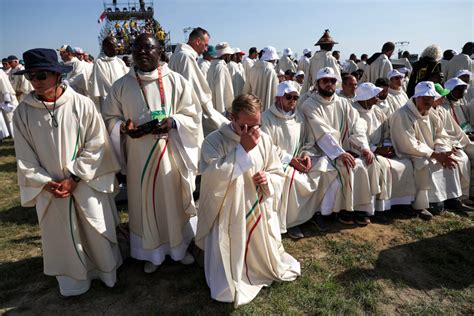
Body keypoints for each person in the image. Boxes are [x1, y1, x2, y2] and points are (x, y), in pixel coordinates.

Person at [13, 48, 122, 296]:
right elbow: (24, 154)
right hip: (51, 188)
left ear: (56, 74)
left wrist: (74, 177)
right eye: (30, 76)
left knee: (95, 228)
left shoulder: (81, 104)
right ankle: (74, 282)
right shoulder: (23, 112)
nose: (36, 82)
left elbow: (97, 143)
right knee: (62, 234)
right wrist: (44, 182)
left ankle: (105, 273)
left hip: (85, 181)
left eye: (41, 75)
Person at [103, 34, 202, 273]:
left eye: (149, 48)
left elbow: (193, 115)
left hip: (171, 152)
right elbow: (109, 118)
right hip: (139, 156)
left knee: (173, 201)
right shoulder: (121, 85)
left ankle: (179, 248)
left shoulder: (177, 81)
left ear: (160, 52)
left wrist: (174, 121)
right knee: (144, 203)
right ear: (132, 53)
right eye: (138, 48)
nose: (143, 52)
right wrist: (122, 128)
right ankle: (151, 253)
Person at [196, 93, 300, 307]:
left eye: (257, 125)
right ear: (232, 117)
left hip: (257, 211)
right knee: (226, 287)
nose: (252, 132)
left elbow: (276, 171)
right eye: (245, 126)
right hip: (227, 214)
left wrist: (267, 178)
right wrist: (242, 149)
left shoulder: (265, 138)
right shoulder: (213, 141)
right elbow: (211, 180)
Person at [261, 81, 337, 238]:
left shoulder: (300, 117)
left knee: (325, 167)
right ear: (278, 98)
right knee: (292, 180)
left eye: (295, 97)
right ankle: (292, 222)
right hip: (276, 162)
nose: (292, 101)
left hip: (299, 159)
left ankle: (315, 213)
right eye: (288, 97)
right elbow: (267, 146)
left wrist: (306, 155)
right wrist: (291, 160)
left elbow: (308, 141)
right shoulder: (266, 118)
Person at [302, 67, 376, 227]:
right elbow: (322, 133)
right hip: (319, 150)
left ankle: (357, 208)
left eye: (333, 81)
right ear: (317, 83)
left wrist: (364, 147)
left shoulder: (344, 103)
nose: (329, 84)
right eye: (325, 81)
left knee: (363, 163)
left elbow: (358, 126)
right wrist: (339, 153)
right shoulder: (309, 105)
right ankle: (327, 212)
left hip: (341, 148)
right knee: (339, 168)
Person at [390, 81, 470, 218]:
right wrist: (434, 154)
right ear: (416, 97)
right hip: (409, 153)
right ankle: (422, 205)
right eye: (424, 97)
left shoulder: (431, 113)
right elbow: (408, 143)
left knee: (452, 159)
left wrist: (442, 150)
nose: (428, 101)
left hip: (431, 151)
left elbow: (441, 134)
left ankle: (451, 198)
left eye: (431, 98)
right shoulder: (402, 114)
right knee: (424, 164)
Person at [352, 83, 416, 220]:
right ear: (365, 97)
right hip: (361, 152)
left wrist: (387, 146)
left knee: (406, 163)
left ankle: (401, 202)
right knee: (380, 166)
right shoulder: (353, 112)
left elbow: (386, 131)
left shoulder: (377, 111)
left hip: (380, 149)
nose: (377, 97)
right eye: (374, 95)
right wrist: (374, 149)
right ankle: (377, 209)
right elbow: (355, 137)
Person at [168, 27, 228, 135]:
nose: (205, 49)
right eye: (205, 45)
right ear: (198, 41)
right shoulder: (186, 57)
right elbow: (195, 93)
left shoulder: (177, 55)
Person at [90, 36, 129, 112]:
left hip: (124, 97)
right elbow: (103, 84)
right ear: (106, 48)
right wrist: (117, 94)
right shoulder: (100, 62)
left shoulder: (119, 61)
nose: (117, 48)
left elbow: (127, 78)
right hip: (109, 99)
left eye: (117, 46)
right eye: (114, 46)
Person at [301, 29, 341, 94]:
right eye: (332, 44)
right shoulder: (331, 59)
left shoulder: (313, 59)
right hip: (327, 92)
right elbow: (337, 81)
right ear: (330, 45)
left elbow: (308, 79)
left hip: (315, 93)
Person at [242, 46, 279, 111]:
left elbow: (246, 90)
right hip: (267, 111)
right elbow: (274, 93)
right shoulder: (271, 71)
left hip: (253, 107)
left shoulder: (253, 69)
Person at [206, 42, 235, 114]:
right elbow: (220, 91)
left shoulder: (212, 66)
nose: (230, 57)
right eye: (229, 55)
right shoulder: (221, 67)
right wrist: (222, 112)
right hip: (221, 110)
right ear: (225, 55)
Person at [0, 69, 18, 138]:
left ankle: (14, 136)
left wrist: (6, 101)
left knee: (10, 117)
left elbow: (4, 87)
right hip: (4, 97)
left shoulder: (0, 73)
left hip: (7, 98)